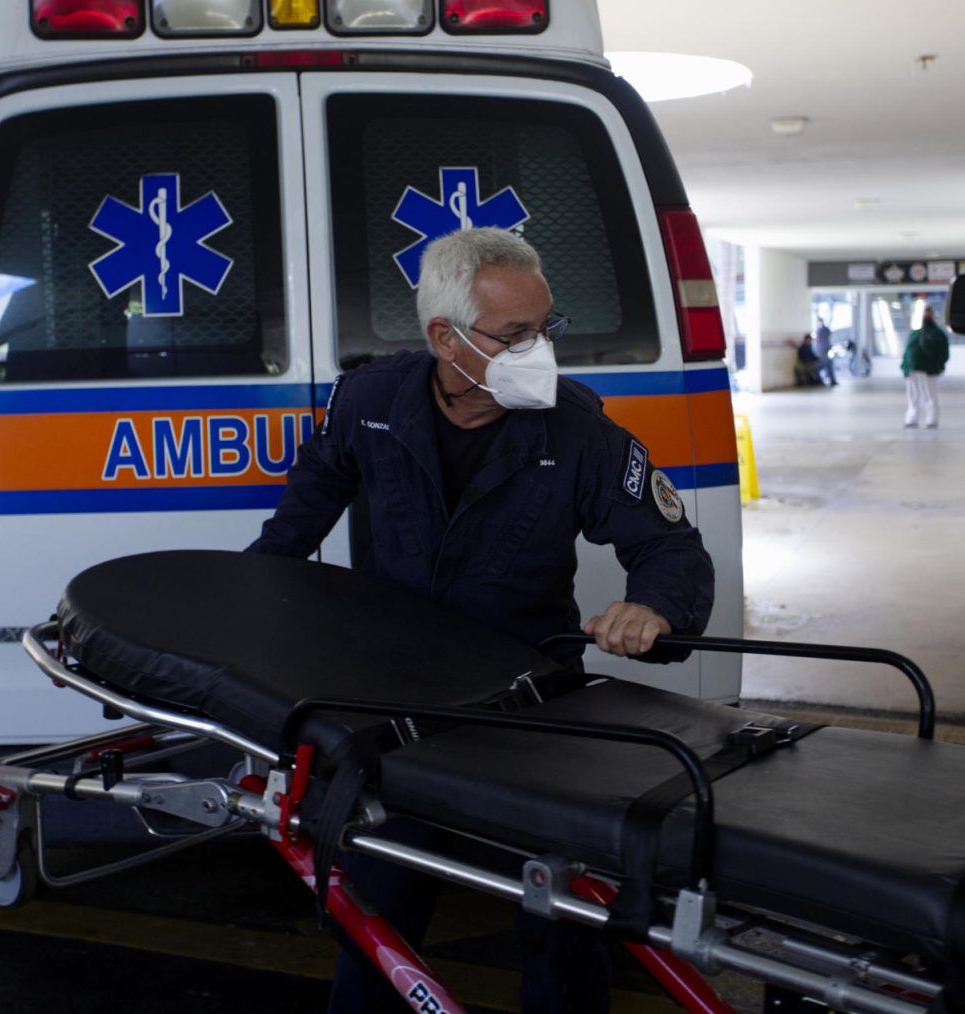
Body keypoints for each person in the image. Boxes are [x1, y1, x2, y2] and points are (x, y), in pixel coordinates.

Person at [247, 226, 715, 1012]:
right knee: (374, 923)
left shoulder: (577, 430)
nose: (541, 351)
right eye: (516, 335)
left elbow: (673, 549)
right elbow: (287, 538)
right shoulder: (367, 405)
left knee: (562, 924)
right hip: (401, 714)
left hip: (534, 709)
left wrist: (654, 607)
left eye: (546, 328)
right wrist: (238, 640)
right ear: (445, 338)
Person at [901, 305, 950, 428]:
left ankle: (931, 419)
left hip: (928, 370)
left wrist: (938, 366)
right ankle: (913, 418)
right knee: (914, 395)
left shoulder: (938, 334)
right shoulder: (916, 333)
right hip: (913, 369)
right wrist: (905, 367)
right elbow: (907, 352)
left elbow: (944, 353)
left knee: (929, 395)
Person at [811, 315, 836, 385]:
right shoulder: (826, 329)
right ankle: (831, 379)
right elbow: (829, 338)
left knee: (825, 364)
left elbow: (817, 338)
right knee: (828, 364)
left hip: (822, 350)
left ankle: (823, 379)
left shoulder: (819, 330)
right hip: (826, 349)